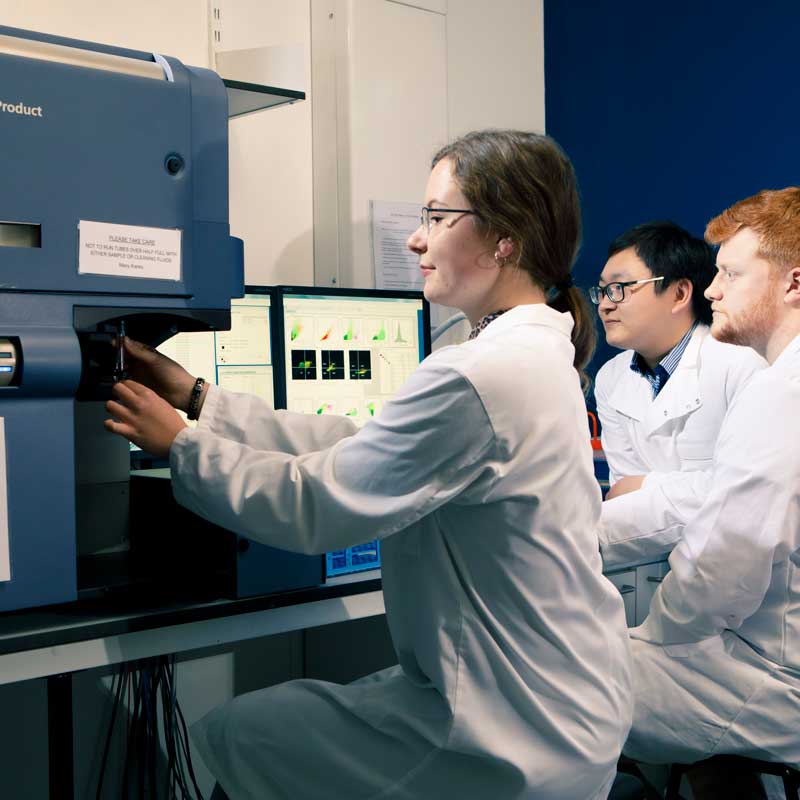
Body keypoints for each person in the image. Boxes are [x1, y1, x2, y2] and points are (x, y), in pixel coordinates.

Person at [105, 130, 632, 800]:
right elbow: (361, 445)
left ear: (505, 239)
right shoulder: (531, 354)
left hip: (513, 731)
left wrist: (180, 444)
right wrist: (200, 400)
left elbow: (317, 504)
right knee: (275, 727)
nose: (416, 239)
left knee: (244, 732)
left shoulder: (483, 374)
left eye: (436, 217)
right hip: (557, 701)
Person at [622, 188, 800, 792]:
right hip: (771, 657)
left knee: (541, 681)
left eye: (730, 274)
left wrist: (650, 641)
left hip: (774, 680)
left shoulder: (780, 394)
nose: (712, 291)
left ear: (794, 283)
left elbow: (721, 572)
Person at [590, 221, 764, 568]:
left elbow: (747, 493)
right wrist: (687, 489)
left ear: (680, 294)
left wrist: (648, 486)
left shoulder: (743, 362)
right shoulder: (611, 377)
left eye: (620, 288)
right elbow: (624, 492)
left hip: (741, 570)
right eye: (602, 291)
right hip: (649, 564)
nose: (605, 305)